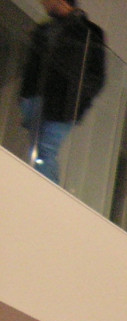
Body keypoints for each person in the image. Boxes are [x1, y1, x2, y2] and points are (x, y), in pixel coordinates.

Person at [18, 0, 105, 185]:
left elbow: (96, 77)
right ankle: (42, 191)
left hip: (63, 103)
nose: (43, 4)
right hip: (39, 99)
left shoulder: (88, 32)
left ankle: (44, 194)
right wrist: (25, 97)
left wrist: (79, 103)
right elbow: (32, 67)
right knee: (39, 150)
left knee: (45, 150)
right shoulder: (45, 30)